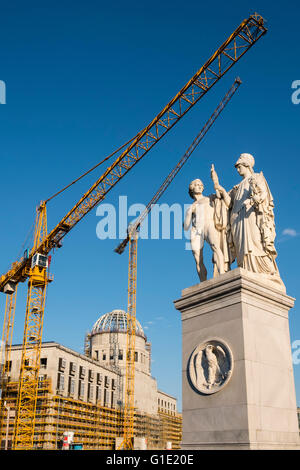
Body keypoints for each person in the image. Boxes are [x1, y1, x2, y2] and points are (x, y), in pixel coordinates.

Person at [212, 153, 281, 282]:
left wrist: (252, 200)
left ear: (247, 165)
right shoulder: (237, 187)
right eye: (237, 167)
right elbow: (228, 203)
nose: (238, 169)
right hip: (236, 219)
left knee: (255, 243)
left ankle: (265, 271)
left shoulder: (256, 178)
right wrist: (219, 187)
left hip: (250, 216)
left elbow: (263, 194)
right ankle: (245, 268)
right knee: (241, 248)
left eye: (239, 166)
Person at [184, 179, 225, 281]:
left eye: (201, 185)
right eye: (197, 185)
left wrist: (215, 179)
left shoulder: (209, 197)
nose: (200, 186)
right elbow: (186, 227)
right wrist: (189, 213)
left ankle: (222, 274)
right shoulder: (191, 207)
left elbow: (222, 196)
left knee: (216, 247)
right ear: (192, 188)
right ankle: (203, 282)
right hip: (195, 230)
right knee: (198, 259)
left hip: (208, 224)